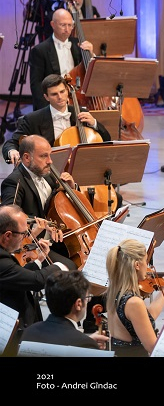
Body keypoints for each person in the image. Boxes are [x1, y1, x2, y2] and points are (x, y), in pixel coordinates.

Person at [0, 135, 77, 271]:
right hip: (33, 244)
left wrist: (70, 189)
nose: (50, 161)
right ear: (26, 157)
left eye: (50, 155)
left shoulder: (48, 174)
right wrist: (39, 225)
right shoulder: (14, 182)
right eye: (43, 156)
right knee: (70, 268)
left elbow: (56, 206)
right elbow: (8, 220)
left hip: (55, 238)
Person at [0, 204, 66, 355]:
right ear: (7, 235)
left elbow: (16, 276)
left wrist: (39, 261)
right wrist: (59, 266)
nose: (26, 239)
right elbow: (36, 281)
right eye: (23, 234)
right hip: (11, 333)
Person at [3, 74, 111, 165]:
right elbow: (11, 143)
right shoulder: (33, 119)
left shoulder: (81, 112)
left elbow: (106, 141)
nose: (60, 97)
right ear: (46, 97)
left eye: (62, 91)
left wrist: (95, 124)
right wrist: (12, 151)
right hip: (50, 172)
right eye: (54, 94)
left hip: (82, 166)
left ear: (67, 91)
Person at [105, 238, 164, 357]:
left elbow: (146, 317)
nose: (147, 266)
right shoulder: (133, 302)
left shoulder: (114, 291)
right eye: (146, 261)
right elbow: (152, 347)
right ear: (137, 265)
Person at [20, 270, 109, 350]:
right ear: (78, 304)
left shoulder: (29, 332)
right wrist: (88, 344)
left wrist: (86, 340)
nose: (88, 301)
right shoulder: (84, 345)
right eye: (87, 298)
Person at [29, 8, 95, 110]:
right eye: (63, 25)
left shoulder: (78, 45)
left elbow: (89, 72)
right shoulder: (40, 50)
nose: (67, 29)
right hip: (54, 102)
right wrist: (48, 111)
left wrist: (91, 54)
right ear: (53, 25)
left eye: (70, 25)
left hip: (77, 99)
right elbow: (36, 86)